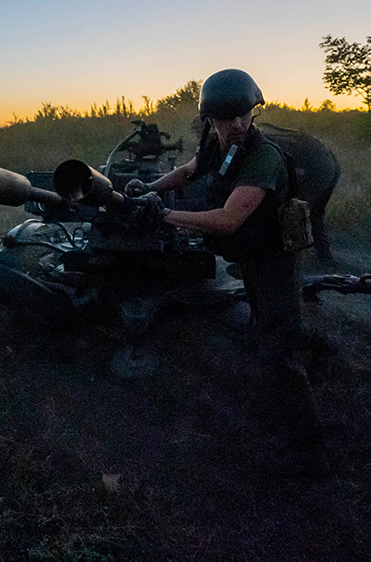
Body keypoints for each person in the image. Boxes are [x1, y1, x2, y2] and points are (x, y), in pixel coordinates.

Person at [125, 69, 330, 476]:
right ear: (210, 120)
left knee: (280, 349)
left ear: (253, 110)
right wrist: (151, 190)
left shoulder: (262, 155)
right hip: (251, 256)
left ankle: (310, 452)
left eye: (244, 114)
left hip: (274, 259)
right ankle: (308, 341)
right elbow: (189, 170)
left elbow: (227, 220)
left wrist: (165, 214)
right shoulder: (220, 145)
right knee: (265, 323)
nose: (237, 124)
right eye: (226, 117)